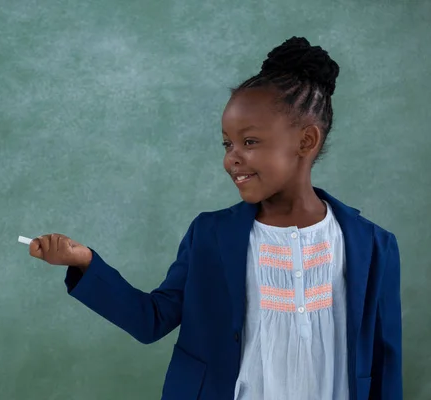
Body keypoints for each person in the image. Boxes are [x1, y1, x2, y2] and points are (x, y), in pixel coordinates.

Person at [28, 37, 402, 400]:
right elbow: (151, 320)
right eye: (228, 144)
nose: (231, 158)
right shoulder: (209, 235)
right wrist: (85, 263)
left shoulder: (373, 245)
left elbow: (385, 363)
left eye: (250, 142)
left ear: (306, 142)